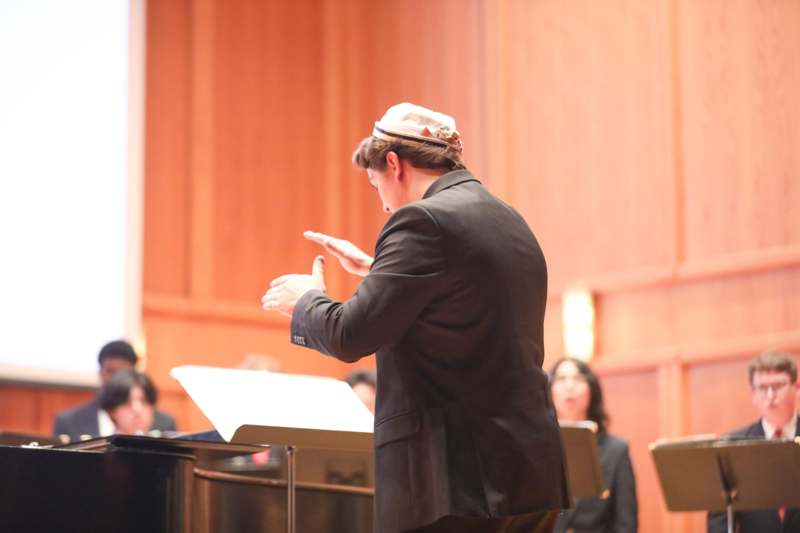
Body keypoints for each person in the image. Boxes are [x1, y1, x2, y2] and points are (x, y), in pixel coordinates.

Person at [262, 102, 569, 533]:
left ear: (394, 163)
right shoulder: (508, 218)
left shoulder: (421, 219)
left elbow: (349, 335)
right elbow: (464, 304)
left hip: (455, 480)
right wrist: (379, 273)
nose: (384, 206)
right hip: (528, 472)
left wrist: (306, 300)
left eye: (376, 186)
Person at [707, 351, 800, 533]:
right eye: (763, 388)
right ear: (753, 393)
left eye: (778, 385)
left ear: (796, 387)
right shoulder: (731, 445)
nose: (770, 395)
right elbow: (719, 518)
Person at [548, 357, 638, 533]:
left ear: (592, 390)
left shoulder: (616, 451)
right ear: (548, 390)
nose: (569, 386)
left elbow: (625, 524)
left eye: (578, 379)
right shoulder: (537, 448)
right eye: (561, 379)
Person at [53, 339, 176, 442]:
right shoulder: (69, 421)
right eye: (110, 371)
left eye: (123, 372)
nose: (117, 378)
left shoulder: (163, 422)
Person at [97, 368, 159, 435]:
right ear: (111, 411)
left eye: (144, 401)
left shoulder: (164, 443)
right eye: (127, 402)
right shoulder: (101, 445)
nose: (137, 409)